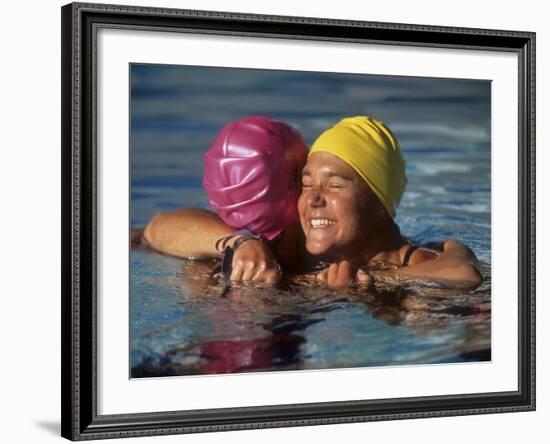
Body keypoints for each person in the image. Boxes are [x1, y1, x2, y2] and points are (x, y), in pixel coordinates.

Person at [144, 116, 482, 290]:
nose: (315, 199)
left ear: (380, 201)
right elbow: (156, 229)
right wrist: (238, 241)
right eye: (305, 184)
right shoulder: (293, 246)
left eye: (335, 184)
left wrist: (373, 284)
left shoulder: (413, 263)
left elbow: (463, 274)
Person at [143, 115, 308, 283]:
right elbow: (156, 228)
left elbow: (153, 229)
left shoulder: (211, 255)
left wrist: (239, 241)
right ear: (299, 181)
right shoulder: (322, 261)